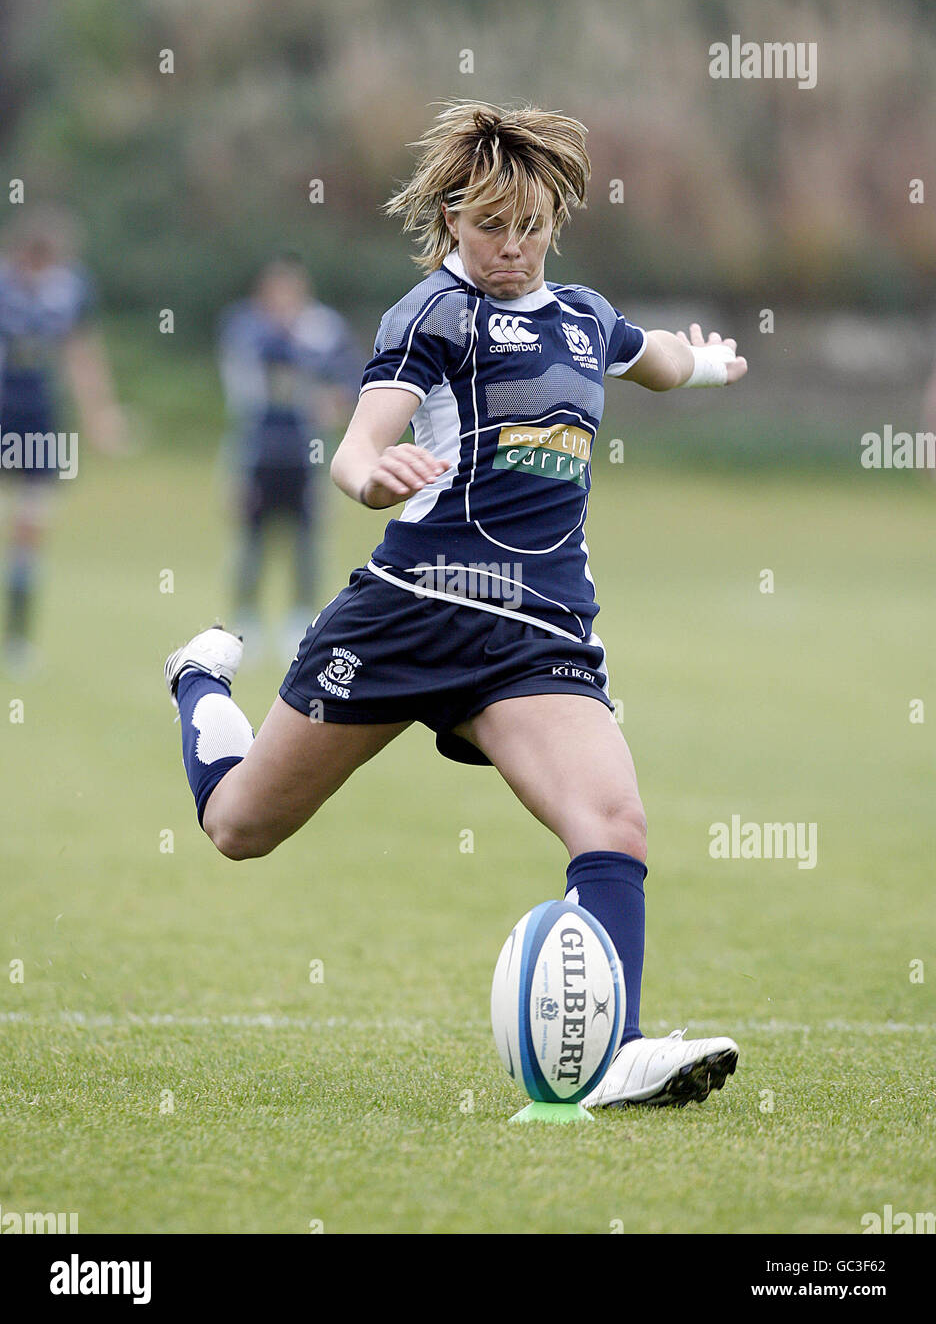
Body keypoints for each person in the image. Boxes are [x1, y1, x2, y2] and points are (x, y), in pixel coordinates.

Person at [164, 101, 748, 1110]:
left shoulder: (586, 316)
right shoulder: (429, 316)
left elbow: (646, 357)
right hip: (410, 615)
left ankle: (619, 1054)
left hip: (538, 634)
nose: (513, 249)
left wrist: (702, 362)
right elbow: (358, 443)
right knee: (239, 826)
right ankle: (198, 680)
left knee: (615, 823)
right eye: (490, 228)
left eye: (531, 228)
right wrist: (367, 476)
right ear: (450, 221)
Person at [0, 206, 127, 672]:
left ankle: (16, 640)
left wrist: (100, 415)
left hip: (40, 421)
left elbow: (81, 354)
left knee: (30, 527)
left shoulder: (70, 289)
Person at [217, 253, 361, 660]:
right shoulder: (246, 327)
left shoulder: (323, 328)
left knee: (306, 541)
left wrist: (332, 402)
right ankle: (247, 620)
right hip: (256, 450)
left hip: (306, 453)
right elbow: (246, 379)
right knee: (251, 540)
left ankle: (300, 618)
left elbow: (350, 383)